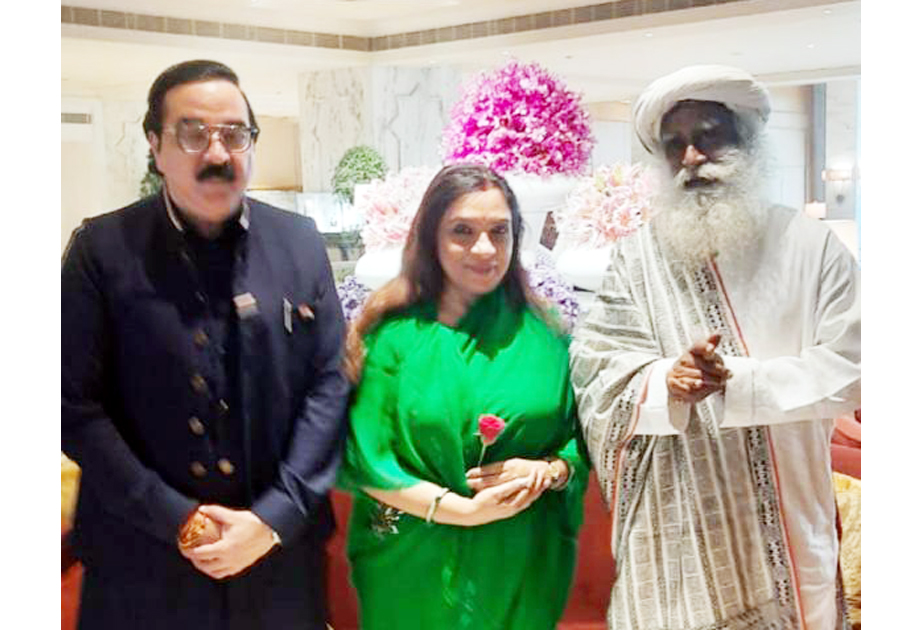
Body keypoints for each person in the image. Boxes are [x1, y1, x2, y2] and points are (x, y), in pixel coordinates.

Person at [61, 59, 350, 629]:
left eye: (235, 134)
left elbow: (328, 383)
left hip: (278, 557)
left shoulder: (300, 242)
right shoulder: (100, 250)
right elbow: (72, 405)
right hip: (140, 559)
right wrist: (176, 518)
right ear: (155, 145)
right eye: (193, 134)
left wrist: (274, 517)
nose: (217, 154)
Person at [569, 65, 860, 630]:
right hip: (677, 537)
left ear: (747, 143)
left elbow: (858, 364)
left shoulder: (809, 245)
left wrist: (740, 383)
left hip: (791, 523)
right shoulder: (637, 258)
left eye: (709, 135)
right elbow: (597, 366)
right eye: (675, 145)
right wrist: (664, 382)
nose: (692, 156)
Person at [338, 163, 588, 629]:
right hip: (413, 566)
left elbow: (582, 439)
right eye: (462, 231)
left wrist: (550, 470)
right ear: (430, 237)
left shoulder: (546, 339)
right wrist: (465, 513)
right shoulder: (393, 339)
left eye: (500, 231)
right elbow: (368, 460)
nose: (484, 249)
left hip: (521, 559)